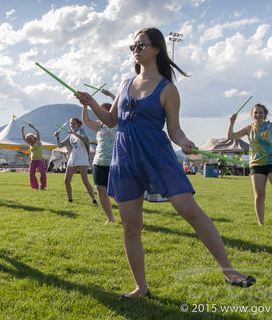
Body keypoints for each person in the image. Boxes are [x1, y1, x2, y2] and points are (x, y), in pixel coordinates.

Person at [76, 27, 255, 299]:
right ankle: (141, 287)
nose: (135, 50)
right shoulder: (125, 84)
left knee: (190, 209)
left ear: (157, 49)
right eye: (132, 46)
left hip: (157, 156)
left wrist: (184, 142)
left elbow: (174, 129)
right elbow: (112, 121)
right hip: (125, 157)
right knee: (131, 225)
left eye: (140, 45)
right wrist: (91, 103)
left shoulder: (167, 89)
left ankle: (229, 271)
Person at [227, 104, 272, 228]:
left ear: (265, 114)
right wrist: (232, 122)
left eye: (260, 112)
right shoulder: (248, 129)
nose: (258, 115)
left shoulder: (271, 126)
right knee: (259, 195)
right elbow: (231, 137)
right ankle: (261, 224)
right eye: (255, 112)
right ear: (251, 115)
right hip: (256, 165)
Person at [82, 89, 117, 224]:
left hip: (115, 163)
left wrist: (110, 95)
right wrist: (85, 105)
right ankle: (110, 218)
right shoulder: (99, 125)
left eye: (100, 111)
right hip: (99, 162)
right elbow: (85, 120)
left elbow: (119, 104)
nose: (98, 114)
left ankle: (128, 216)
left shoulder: (118, 123)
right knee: (101, 191)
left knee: (119, 193)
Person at [54, 118, 97, 205]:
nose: (72, 125)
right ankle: (70, 200)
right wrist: (57, 137)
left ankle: (94, 200)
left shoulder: (81, 131)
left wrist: (73, 133)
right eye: (70, 124)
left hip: (82, 158)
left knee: (85, 180)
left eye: (73, 123)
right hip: (73, 158)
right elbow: (60, 145)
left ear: (78, 124)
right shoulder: (70, 135)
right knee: (66, 180)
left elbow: (85, 139)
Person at [21, 123, 47, 190]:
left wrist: (33, 127)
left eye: (31, 136)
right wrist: (22, 131)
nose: (30, 138)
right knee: (31, 174)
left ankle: (43, 186)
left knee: (42, 173)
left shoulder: (38, 142)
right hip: (33, 161)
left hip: (40, 160)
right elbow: (24, 138)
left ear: (33, 136)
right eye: (29, 138)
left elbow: (37, 132)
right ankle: (35, 187)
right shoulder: (30, 144)